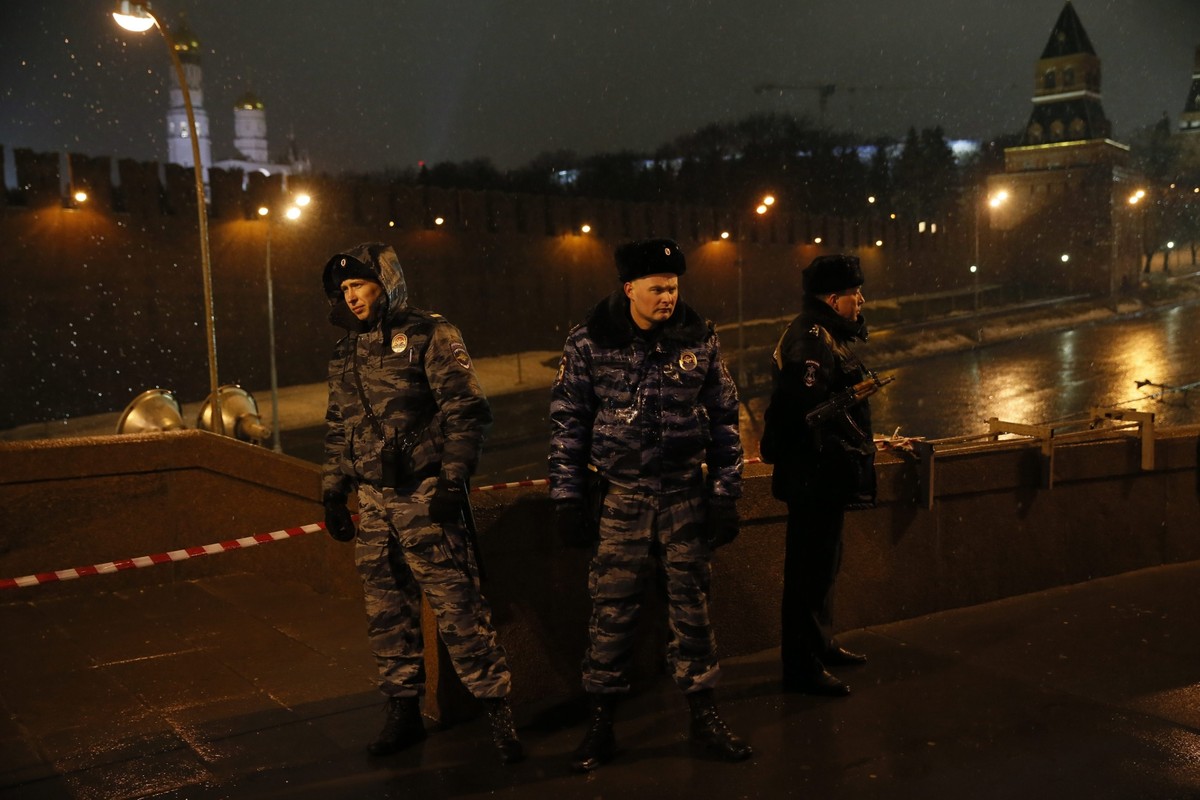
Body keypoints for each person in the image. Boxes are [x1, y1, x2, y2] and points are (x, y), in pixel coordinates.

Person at [549, 237, 753, 773]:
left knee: (693, 611)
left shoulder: (698, 338)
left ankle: (704, 716)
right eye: (658, 288)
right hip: (621, 499)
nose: (668, 297)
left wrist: (726, 495)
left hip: (685, 495)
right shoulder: (589, 343)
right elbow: (568, 425)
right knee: (611, 613)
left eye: (674, 287)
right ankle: (601, 723)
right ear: (629, 288)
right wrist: (567, 500)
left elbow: (725, 420)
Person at [319, 242, 523, 765]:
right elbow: (338, 427)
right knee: (387, 615)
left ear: (385, 282)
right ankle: (402, 713)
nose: (352, 296)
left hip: (425, 495)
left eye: (359, 285)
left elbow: (466, 410)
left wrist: (453, 482)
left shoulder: (431, 333)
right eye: (343, 289)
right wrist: (333, 492)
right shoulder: (345, 352)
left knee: (460, 609)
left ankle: (498, 713)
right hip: (372, 504)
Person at [760, 254, 877, 698]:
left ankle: (821, 645)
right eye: (854, 294)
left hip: (825, 473)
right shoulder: (812, 338)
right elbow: (798, 409)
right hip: (812, 474)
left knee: (825, 565)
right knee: (808, 573)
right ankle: (802, 666)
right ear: (833, 298)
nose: (861, 300)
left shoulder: (827, 334)